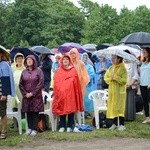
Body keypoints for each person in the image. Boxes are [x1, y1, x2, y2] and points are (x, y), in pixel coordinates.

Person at [52, 55, 83, 132]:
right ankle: (62, 126)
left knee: (71, 109)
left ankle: (69, 126)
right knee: (62, 109)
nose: (65, 60)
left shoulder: (73, 70)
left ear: (69, 61)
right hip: (61, 94)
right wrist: (59, 90)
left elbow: (76, 83)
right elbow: (56, 82)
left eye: (67, 59)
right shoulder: (58, 71)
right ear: (61, 61)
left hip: (71, 94)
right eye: (64, 59)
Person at [19, 55, 44, 136]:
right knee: (28, 112)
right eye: (27, 60)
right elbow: (20, 84)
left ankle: (34, 129)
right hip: (26, 96)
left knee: (35, 112)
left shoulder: (38, 71)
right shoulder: (24, 72)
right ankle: (29, 128)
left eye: (30, 60)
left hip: (36, 96)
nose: (29, 61)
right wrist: (25, 93)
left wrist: (32, 93)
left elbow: (41, 83)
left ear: (34, 61)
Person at [104, 55, 127, 131]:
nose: (112, 59)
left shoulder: (123, 69)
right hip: (112, 91)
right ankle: (114, 123)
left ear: (119, 59)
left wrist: (116, 77)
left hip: (120, 92)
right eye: (112, 58)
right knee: (113, 106)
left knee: (120, 107)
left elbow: (124, 81)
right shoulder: (111, 68)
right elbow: (105, 78)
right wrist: (110, 78)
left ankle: (121, 124)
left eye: (114, 58)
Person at [0, 48, 15, 139]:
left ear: (1, 55)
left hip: (1, 94)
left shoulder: (4, 65)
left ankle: (4, 131)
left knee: (2, 113)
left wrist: (4, 94)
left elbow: (6, 81)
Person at [123, 51, 139, 121]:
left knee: (130, 101)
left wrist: (130, 83)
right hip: (122, 84)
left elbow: (136, 75)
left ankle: (130, 117)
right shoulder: (121, 63)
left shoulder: (133, 62)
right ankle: (122, 116)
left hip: (130, 84)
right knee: (123, 101)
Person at [81, 53, 95, 117]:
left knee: (88, 99)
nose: (84, 59)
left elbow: (92, 74)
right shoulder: (80, 66)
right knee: (82, 99)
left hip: (88, 86)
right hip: (81, 85)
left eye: (86, 58)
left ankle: (88, 112)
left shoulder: (90, 66)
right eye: (83, 57)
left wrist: (86, 79)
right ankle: (82, 112)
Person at [139, 48, 150, 123]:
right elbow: (140, 73)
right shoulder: (142, 62)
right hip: (142, 83)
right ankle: (147, 117)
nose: (144, 53)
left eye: (145, 52)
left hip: (148, 84)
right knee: (145, 101)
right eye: (143, 52)